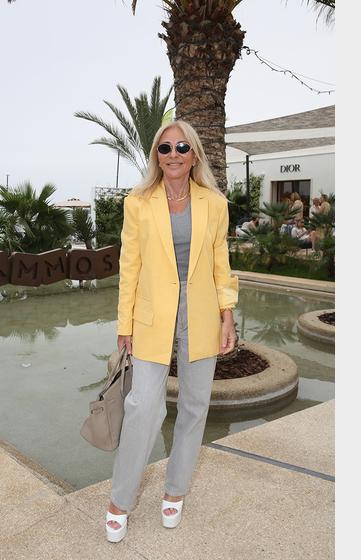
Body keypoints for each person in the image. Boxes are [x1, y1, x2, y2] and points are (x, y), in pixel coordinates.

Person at [106, 120, 239, 543]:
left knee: (195, 406)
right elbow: (129, 266)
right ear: (156, 156)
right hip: (151, 316)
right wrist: (124, 323)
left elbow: (221, 262)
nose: (174, 154)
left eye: (182, 147)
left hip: (201, 315)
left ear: (194, 154)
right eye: (165, 148)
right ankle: (120, 500)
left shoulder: (214, 203)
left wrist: (227, 314)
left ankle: (175, 491)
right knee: (143, 407)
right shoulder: (138, 202)